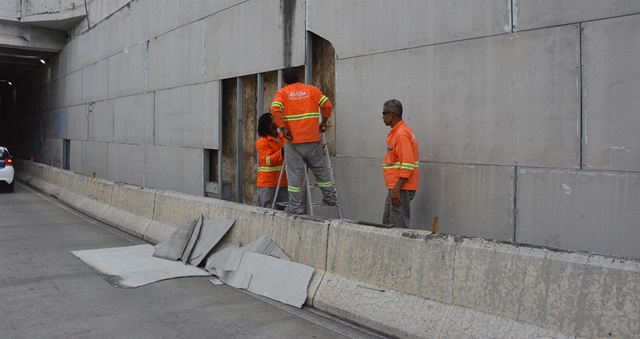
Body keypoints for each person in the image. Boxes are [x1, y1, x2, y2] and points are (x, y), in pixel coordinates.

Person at [271, 68, 337, 214]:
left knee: (294, 175)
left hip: (292, 141)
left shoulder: (283, 93)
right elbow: (327, 105)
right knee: (320, 169)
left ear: (285, 81)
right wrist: (323, 122)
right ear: (298, 77)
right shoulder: (312, 90)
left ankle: (296, 207)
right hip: (313, 139)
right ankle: (331, 198)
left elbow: (275, 109)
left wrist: (283, 128)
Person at [381, 99, 419, 228]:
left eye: (384, 113)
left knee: (398, 226)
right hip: (396, 187)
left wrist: (397, 189)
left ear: (391, 115)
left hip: (401, 188)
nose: (382, 117)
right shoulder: (397, 132)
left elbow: (408, 164)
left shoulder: (401, 134)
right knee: (387, 223)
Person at [255, 113, 288, 209]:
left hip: (284, 183)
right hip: (268, 185)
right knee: (268, 213)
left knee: (284, 214)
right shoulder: (262, 142)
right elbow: (269, 161)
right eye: (273, 119)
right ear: (268, 125)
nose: (276, 120)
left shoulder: (283, 137)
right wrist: (283, 151)